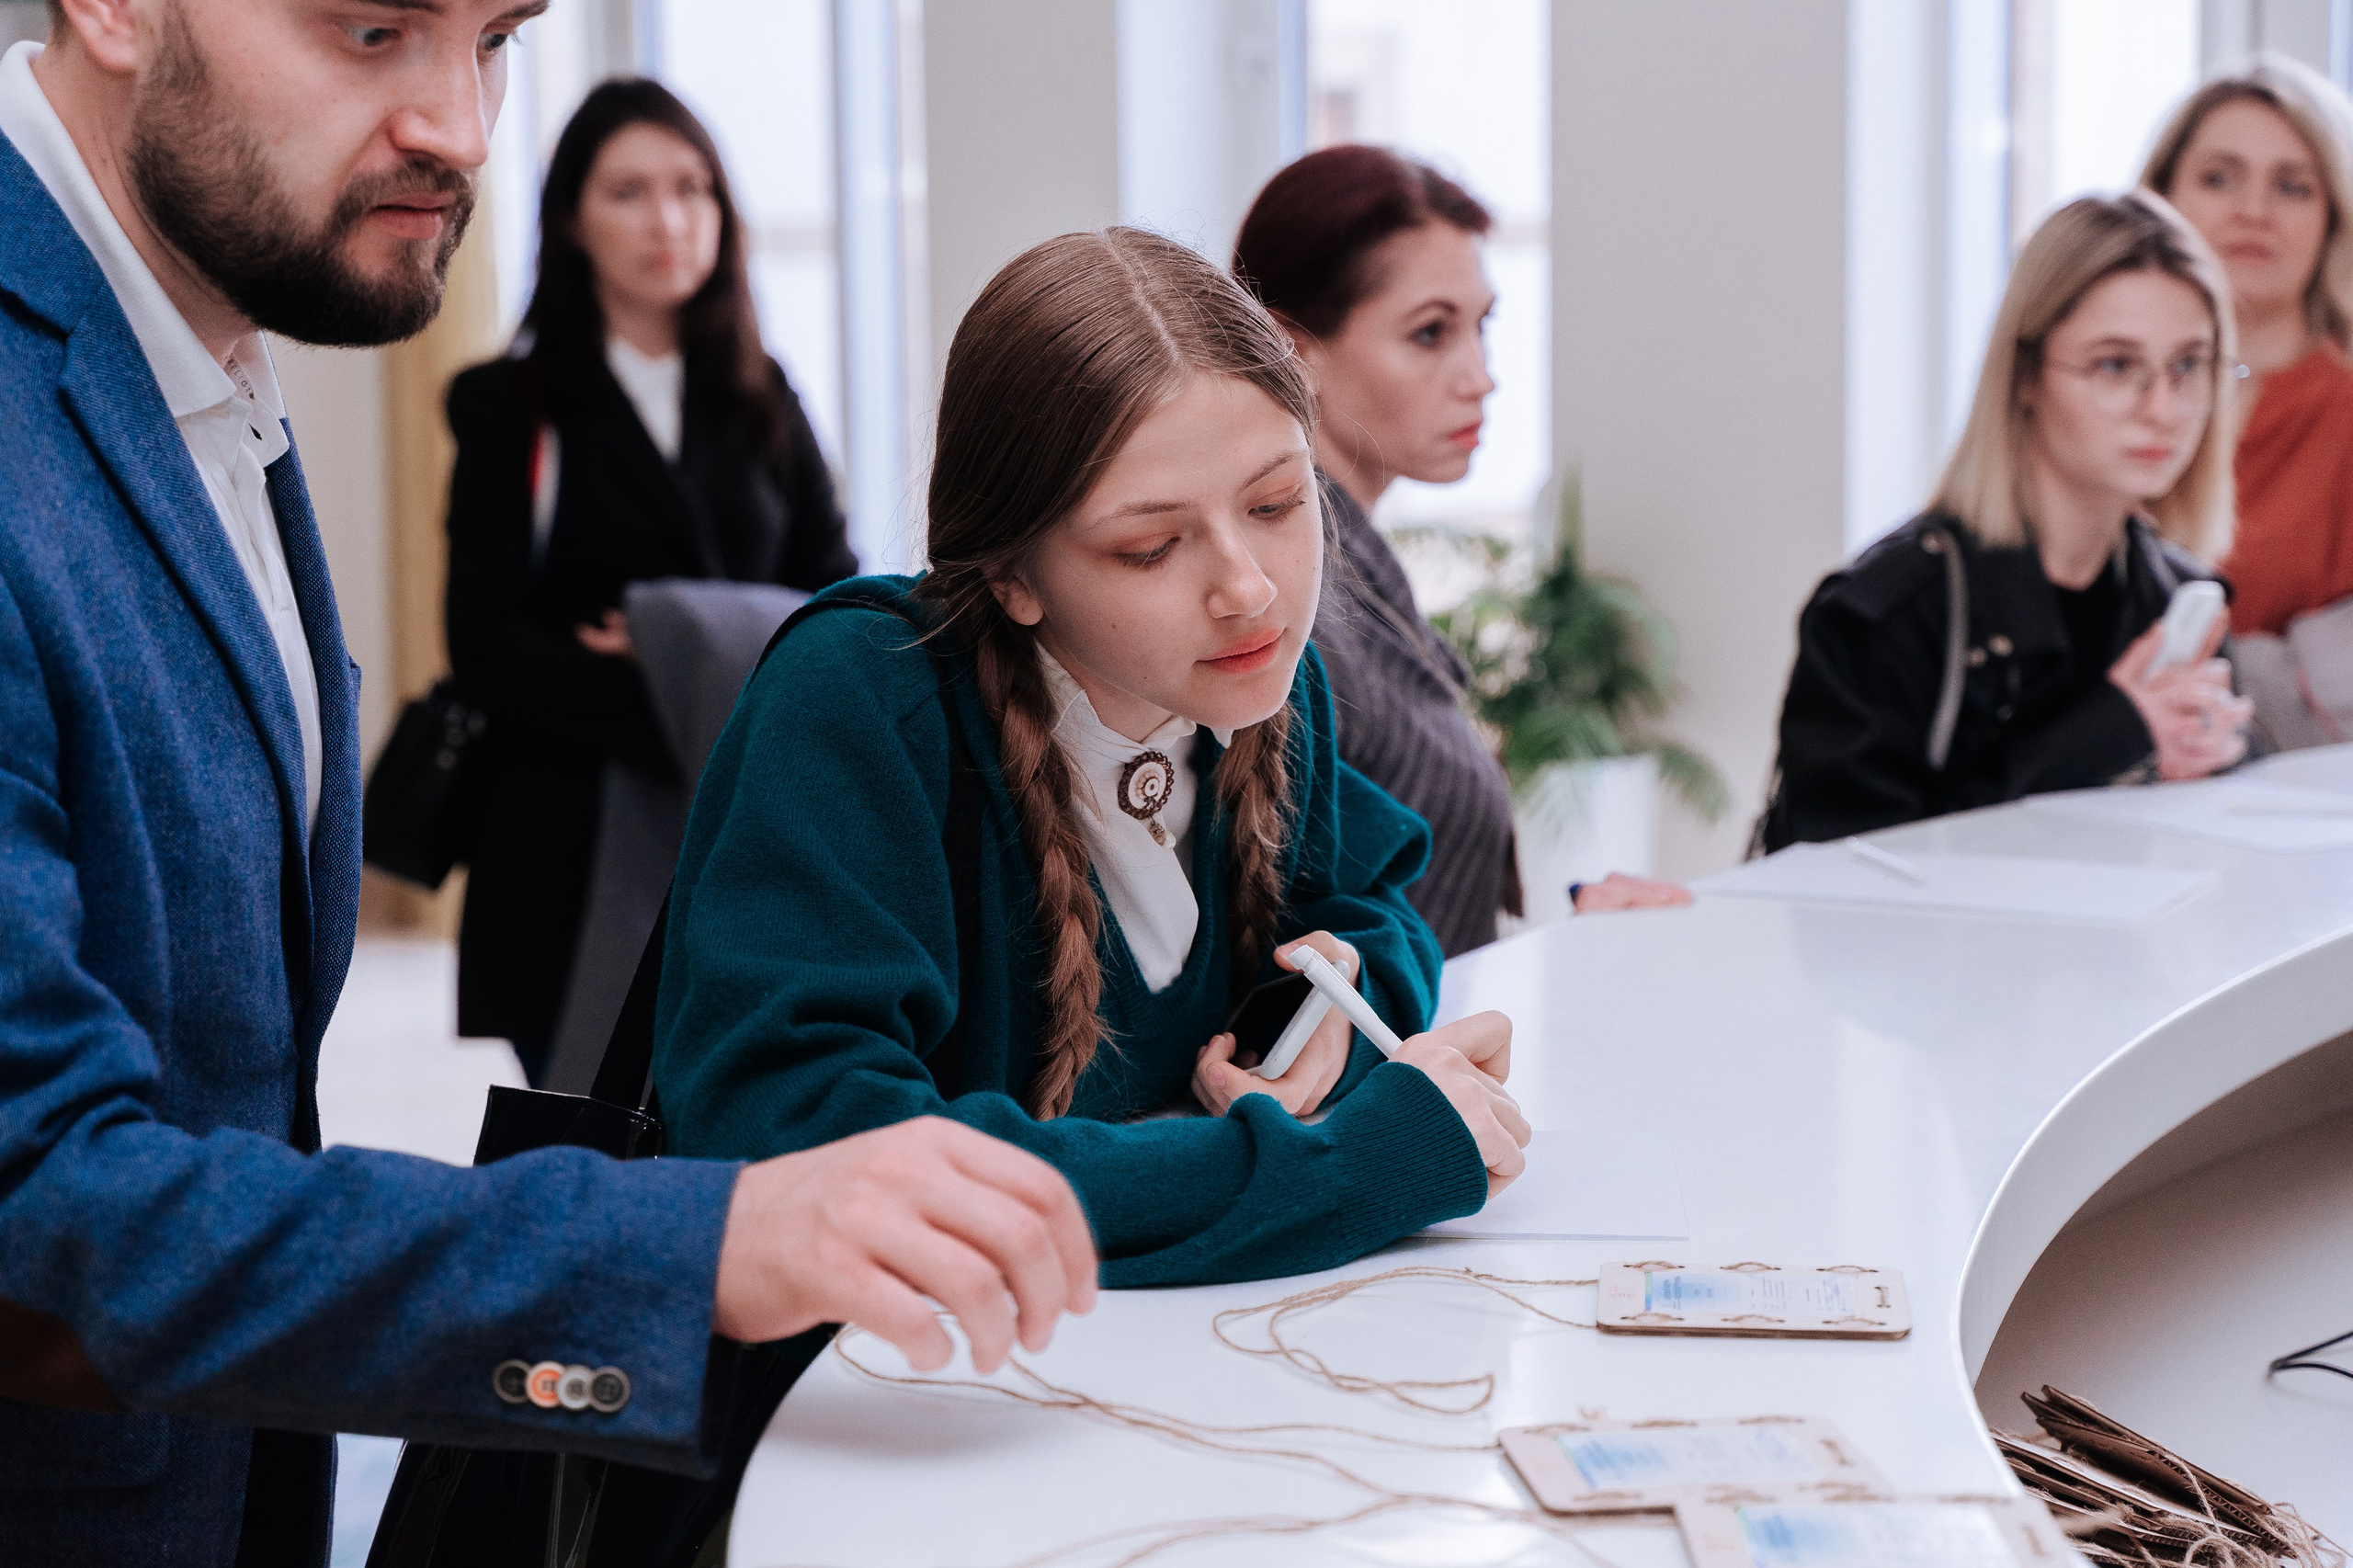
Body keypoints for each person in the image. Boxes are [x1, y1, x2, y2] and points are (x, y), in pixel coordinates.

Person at [0, 6, 1092, 1562]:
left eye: (497, 35)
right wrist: (698, 1244)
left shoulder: (201, 332)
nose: (462, 124)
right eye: (373, 26)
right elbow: (34, 1222)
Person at [652, 228, 1533, 1287]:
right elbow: (813, 1145)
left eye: (1276, 502)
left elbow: (1372, 903)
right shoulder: (865, 696)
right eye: (1149, 546)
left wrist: (1322, 1016)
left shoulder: (1256, 678)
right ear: (1014, 578)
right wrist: (1342, 1164)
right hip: (878, 1406)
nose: (1247, 586)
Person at [445, 79, 858, 1086]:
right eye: (628, 191)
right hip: (572, 840)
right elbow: (490, 645)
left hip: (742, 827)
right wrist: (690, 685)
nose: (669, 220)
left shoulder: (766, 394)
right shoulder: (511, 405)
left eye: (693, 189)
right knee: (580, 1126)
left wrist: (680, 641)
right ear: (573, 220)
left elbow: (838, 609)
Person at [1232, 145, 1688, 949]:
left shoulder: (1356, 572)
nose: (1480, 377)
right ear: (1291, 346)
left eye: (1482, 327)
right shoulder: (1287, 602)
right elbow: (1290, 954)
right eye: (1430, 333)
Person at [1759, 193, 2251, 853]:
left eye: (2188, 366)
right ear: (2024, 377)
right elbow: (1841, 888)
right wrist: (2108, 739)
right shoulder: (1887, 615)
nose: (2163, 408)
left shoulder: (2179, 600)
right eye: (2115, 365)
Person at [2143, 57, 2353, 741]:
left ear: (2334, 216)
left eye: (2292, 187)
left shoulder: (2343, 411)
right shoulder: (2089, 397)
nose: (2253, 211)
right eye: (2218, 178)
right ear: (2162, 197)